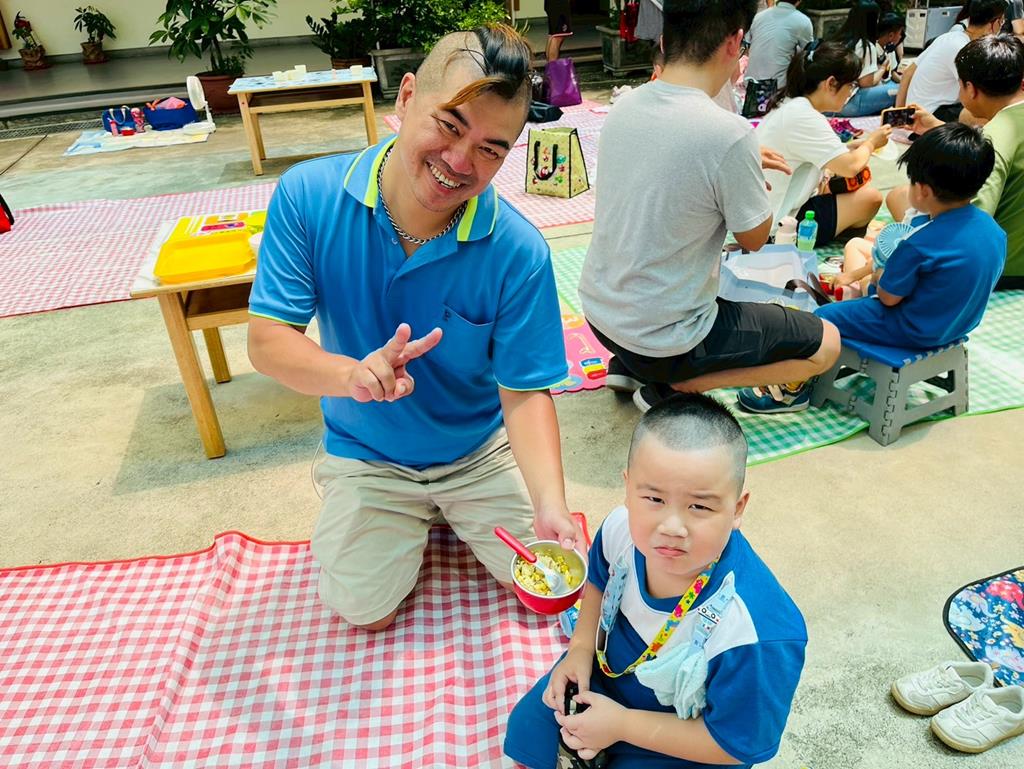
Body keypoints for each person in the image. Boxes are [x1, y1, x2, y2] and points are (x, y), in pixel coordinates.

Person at [247, 25, 580, 632]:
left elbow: (525, 391)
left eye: (491, 149)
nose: (459, 162)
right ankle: (382, 507)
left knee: (547, 585)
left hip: (477, 452)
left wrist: (551, 503)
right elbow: (268, 343)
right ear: (405, 98)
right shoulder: (308, 197)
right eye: (449, 125)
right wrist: (351, 375)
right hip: (368, 452)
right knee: (365, 611)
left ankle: (451, 510)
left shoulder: (518, 251)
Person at [504, 393, 807, 769]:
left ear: (737, 508)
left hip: (684, 733)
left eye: (699, 506)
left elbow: (735, 744)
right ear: (628, 488)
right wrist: (580, 649)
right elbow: (598, 578)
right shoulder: (620, 529)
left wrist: (622, 725)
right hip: (608, 677)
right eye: (653, 499)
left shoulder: (755, 631)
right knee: (527, 729)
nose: (672, 527)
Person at [579, 0, 840, 416]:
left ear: (664, 39)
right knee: (827, 343)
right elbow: (754, 239)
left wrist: (737, 165)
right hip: (666, 340)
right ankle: (678, 385)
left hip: (600, 315)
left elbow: (670, 169)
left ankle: (629, 367)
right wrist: (744, 175)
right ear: (735, 42)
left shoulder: (625, 104)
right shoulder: (728, 133)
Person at [818, 125, 1005, 383]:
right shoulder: (993, 231)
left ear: (924, 190)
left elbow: (888, 298)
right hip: (958, 324)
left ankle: (792, 390)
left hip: (912, 329)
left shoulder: (918, 243)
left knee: (821, 319)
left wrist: (878, 274)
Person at [887, 35, 1024, 290]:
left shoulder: (996, 138)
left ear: (970, 89)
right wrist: (938, 129)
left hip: (998, 266)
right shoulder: (1005, 128)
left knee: (904, 199)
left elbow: (972, 218)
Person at [755, 40, 891, 248]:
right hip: (780, 227)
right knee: (870, 198)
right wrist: (872, 143)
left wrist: (851, 148)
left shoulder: (790, 105)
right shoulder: (804, 116)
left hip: (762, 217)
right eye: (851, 86)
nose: (850, 93)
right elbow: (850, 167)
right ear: (831, 83)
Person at [897, 0, 1007, 123]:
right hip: (930, 116)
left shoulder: (949, 37)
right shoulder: (963, 48)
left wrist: (900, 116)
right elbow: (977, 94)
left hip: (916, 112)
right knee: (991, 110)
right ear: (994, 24)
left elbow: (907, 73)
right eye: (1002, 22)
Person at [836, 0, 900, 117]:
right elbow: (866, 83)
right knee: (900, 89)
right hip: (849, 102)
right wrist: (883, 68)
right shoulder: (865, 46)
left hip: (829, 101)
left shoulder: (838, 40)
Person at [744, 0, 813, 89]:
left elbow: (748, 45)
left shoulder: (758, 17)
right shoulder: (803, 21)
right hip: (777, 88)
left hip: (749, 84)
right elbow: (810, 54)